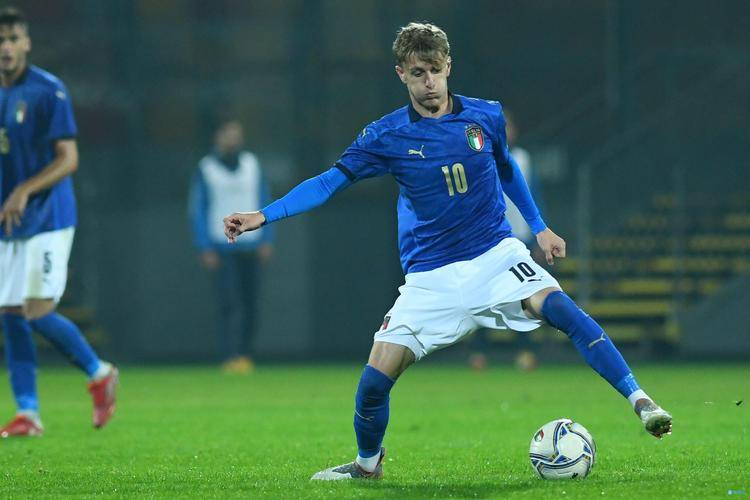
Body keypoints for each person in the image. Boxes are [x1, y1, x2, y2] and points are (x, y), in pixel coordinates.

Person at [223, 22, 672, 480]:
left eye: (436, 70)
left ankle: (641, 401)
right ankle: (367, 465)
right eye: (418, 73)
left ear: (449, 67)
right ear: (401, 74)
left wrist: (539, 228)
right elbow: (327, 184)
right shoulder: (385, 136)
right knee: (374, 383)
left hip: (494, 256)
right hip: (429, 277)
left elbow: (506, 169)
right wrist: (263, 215)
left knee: (561, 308)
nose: (429, 82)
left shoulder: (485, 116)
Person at [0, 7, 117, 437]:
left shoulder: (48, 90)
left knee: (35, 311)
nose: (6, 47)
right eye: (0, 40)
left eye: (13, 38)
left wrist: (24, 189)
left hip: (48, 216)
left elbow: (68, 159)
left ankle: (99, 372)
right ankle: (28, 414)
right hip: (9, 220)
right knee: (10, 312)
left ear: (27, 43)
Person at [189, 119, 273, 373]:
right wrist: (204, 246)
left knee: (251, 303)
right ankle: (228, 355)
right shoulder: (206, 168)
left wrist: (267, 239)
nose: (233, 139)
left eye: (236, 134)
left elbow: (264, 201)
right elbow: (197, 209)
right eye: (228, 134)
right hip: (222, 246)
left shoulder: (251, 164)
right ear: (217, 137)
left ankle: (245, 354)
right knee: (227, 303)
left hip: (251, 244)